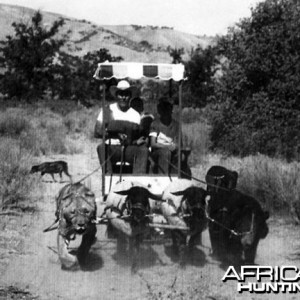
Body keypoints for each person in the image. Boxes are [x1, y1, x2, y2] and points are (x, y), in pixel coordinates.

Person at [94, 80, 148, 174]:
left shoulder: (135, 115)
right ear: (116, 95)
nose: (123, 97)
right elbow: (97, 132)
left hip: (129, 149)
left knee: (143, 151)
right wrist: (114, 134)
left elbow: (138, 137)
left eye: (126, 94)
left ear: (130, 96)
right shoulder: (107, 110)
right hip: (112, 148)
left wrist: (138, 141)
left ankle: (138, 183)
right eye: (120, 94)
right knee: (101, 148)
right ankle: (108, 178)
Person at [149, 97, 191, 177]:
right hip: (158, 152)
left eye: (167, 109)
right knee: (165, 152)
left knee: (180, 155)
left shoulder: (176, 125)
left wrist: (175, 146)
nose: (165, 113)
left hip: (172, 150)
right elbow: (153, 143)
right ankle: (163, 178)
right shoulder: (155, 124)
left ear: (171, 110)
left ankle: (176, 178)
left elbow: (179, 143)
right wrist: (166, 146)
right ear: (159, 111)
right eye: (163, 110)